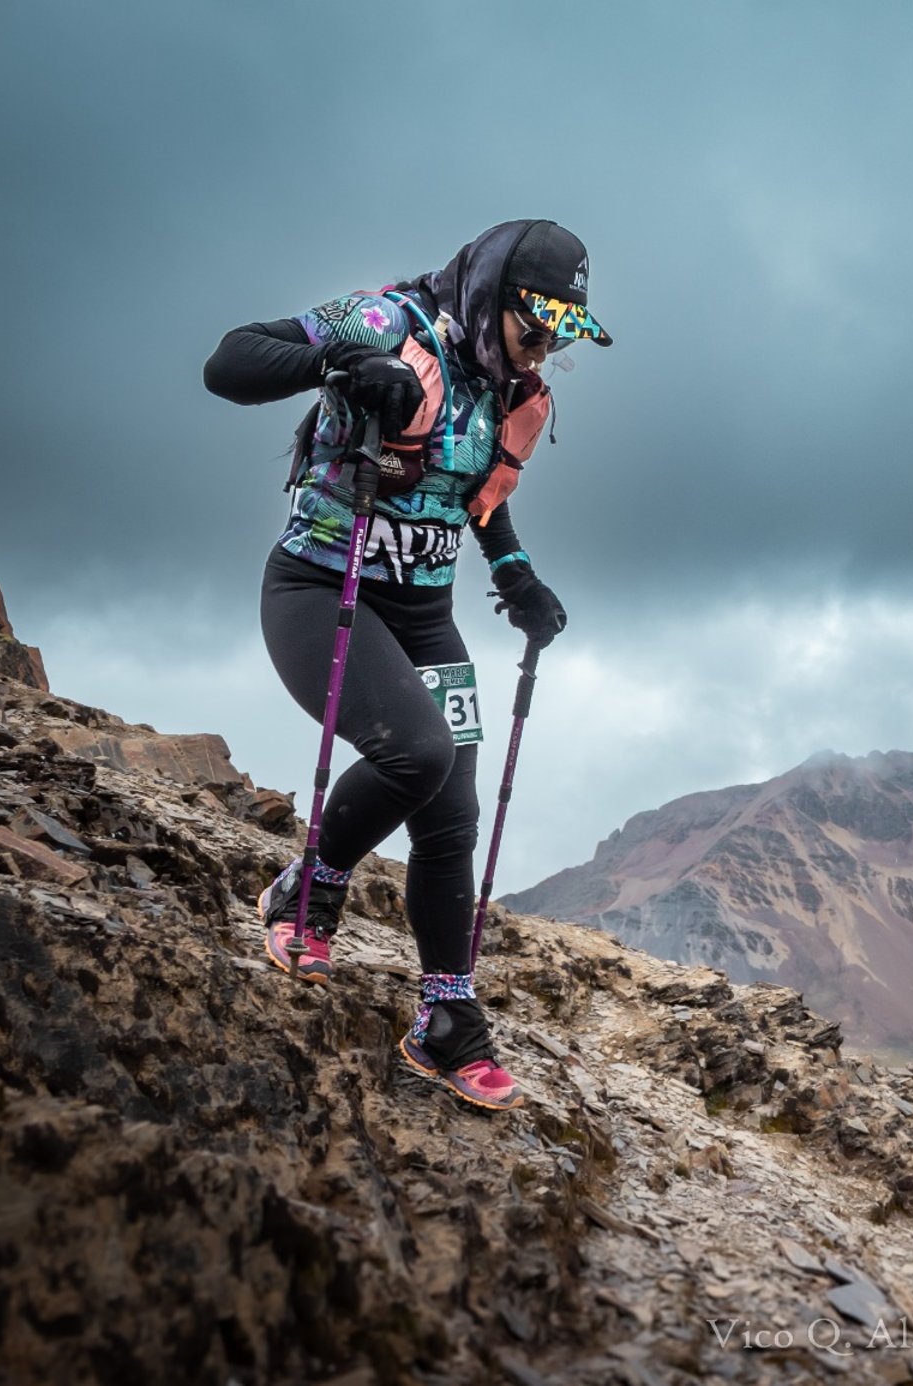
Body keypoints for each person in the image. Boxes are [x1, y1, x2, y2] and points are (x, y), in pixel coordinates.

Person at [203, 219, 611, 1112]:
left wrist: (517, 575)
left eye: (562, 335)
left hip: (424, 615)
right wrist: (344, 365)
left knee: (453, 814)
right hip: (322, 589)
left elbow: (477, 499)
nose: (544, 348)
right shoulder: (387, 321)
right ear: (494, 295)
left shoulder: (512, 388)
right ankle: (308, 889)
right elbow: (229, 362)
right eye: (536, 325)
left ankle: (447, 1018)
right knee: (416, 753)